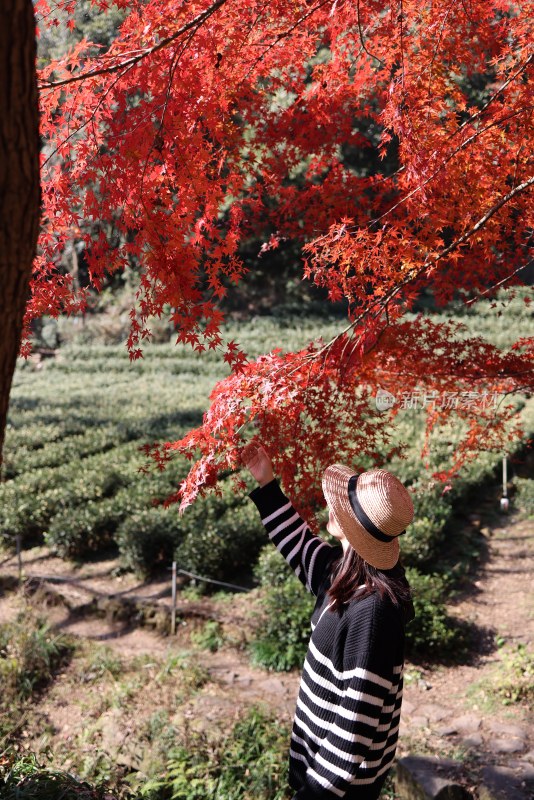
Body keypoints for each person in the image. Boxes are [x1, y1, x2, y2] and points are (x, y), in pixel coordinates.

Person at [243, 444, 415, 800]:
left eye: (344, 508)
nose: (331, 508)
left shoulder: (374, 614)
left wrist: (311, 794)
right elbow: (298, 545)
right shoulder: (344, 572)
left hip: (337, 789)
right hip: (317, 770)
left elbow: (353, 729)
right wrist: (266, 482)